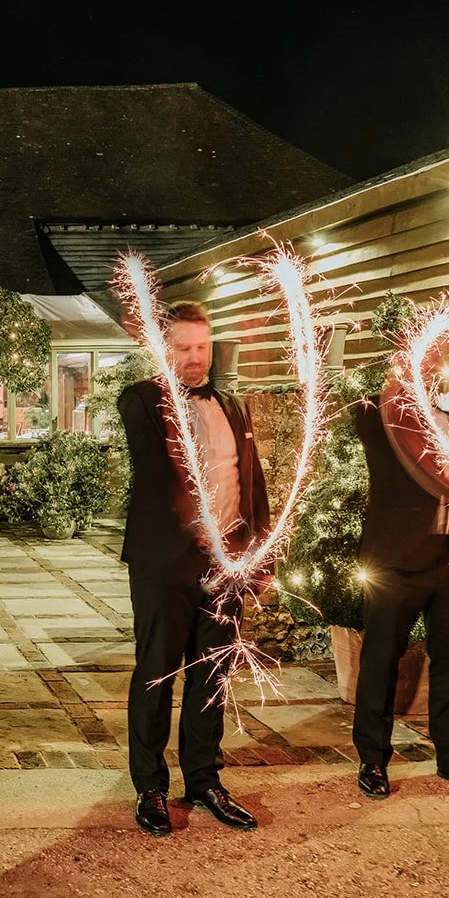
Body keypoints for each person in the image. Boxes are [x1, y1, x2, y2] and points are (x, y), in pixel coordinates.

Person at [118, 301, 269, 836]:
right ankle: (151, 787)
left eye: (202, 347)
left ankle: (204, 779)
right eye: (183, 348)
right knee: (157, 673)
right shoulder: (140, 400)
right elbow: (158, 475)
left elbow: (251, 480)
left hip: (228, 563)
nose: (194, 359)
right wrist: (195, 523)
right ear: (163, 349)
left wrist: (260, 552)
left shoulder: (231, 403)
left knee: (213, 676)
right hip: (165, 564)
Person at [351, 351, 449, 803]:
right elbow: (391, 448)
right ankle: (373, 759)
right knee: (380, 661)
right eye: (419, 353)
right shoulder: (375, 409)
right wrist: (405, 397)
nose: (429, 361)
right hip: (395, 558)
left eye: (437, 353)